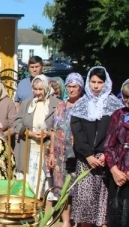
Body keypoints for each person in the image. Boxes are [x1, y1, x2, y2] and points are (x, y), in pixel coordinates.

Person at [70, 66, 122, 227]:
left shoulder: (114, 105)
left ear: (106, 83)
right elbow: (77, 133)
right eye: (93, 82)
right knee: (86, 207)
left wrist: (106, 154)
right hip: (85, 161)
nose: (96, 86)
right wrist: (88, 155)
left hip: (106, 161)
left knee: (104, 206)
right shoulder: (81, 105)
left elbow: (115, 132)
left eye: (100, 82)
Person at [14, 74, 60, 199]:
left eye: (40, 89)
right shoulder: (27, 104)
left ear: (46, 88)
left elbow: (61, 128)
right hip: (28, 149)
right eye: (35, 89)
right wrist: (30, 133)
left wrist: (49, 133)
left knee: (45, 184)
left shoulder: (57, 104)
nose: (37, 92)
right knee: (28, 184)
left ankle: (44, 212)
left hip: (46, 150)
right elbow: (17, 123)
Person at [48, 73, 84, 227]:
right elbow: (54, 131)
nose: (71, 89)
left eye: (74, 86)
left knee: (77, 188)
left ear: (80, 88)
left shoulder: (84, 105)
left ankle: (77, 221)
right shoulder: (61, 105)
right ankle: (66, 221)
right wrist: (51, 153)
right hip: (59, 153)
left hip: (77, 152)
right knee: (62, 188)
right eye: (69, 86)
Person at [104, 79, 129, 227]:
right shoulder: (117, 115)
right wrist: (114, 170)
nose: (127, 101)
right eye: (126, 97)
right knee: (116, 217)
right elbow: (108, 145)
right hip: (118, 171)